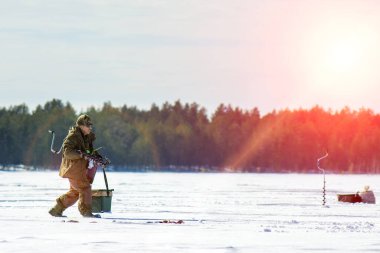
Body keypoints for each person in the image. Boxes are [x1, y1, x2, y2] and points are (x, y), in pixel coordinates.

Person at [49, 114, 100, 218]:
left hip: (79, 169)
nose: (90, 127)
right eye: (88, 125)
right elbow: (67, 152)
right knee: (85, 188)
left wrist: (97, 157)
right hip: (74, 169)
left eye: (91, 125)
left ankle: (56, 210)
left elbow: (89, 151)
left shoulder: (86, 137)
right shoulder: (73, 136)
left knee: (75, 192)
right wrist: (80, 154)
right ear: (81, 126)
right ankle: (86, 212)